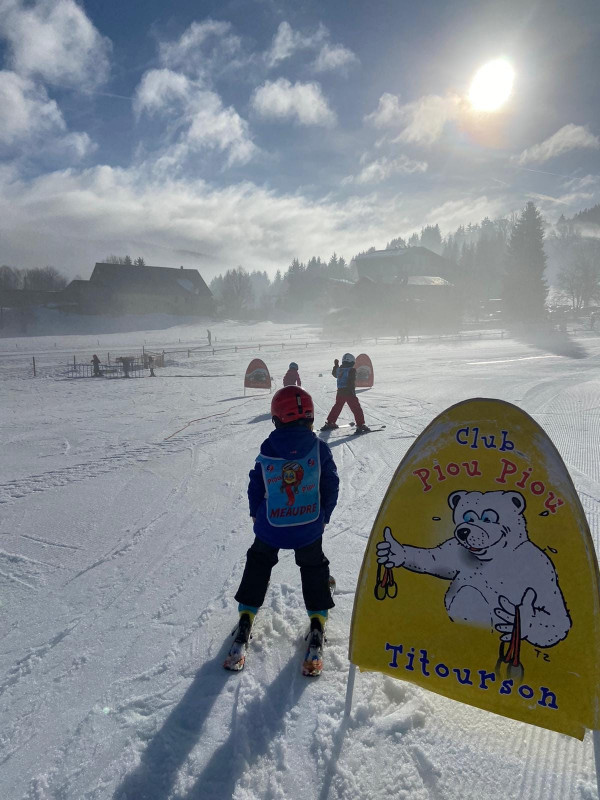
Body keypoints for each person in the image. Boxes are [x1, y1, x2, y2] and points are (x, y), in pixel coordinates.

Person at [226, 386, 339, 674]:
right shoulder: (319, 448)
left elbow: (257, 482)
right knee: (313, 566)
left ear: (276, 419)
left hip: (271, 527)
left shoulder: (269, 447)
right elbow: (331, 484)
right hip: (307, 526)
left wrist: (255, 512)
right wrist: (324, 514)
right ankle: (317, 623)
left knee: (259, 561)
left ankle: (246, 616)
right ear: (311, 418)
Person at [321, 353, 369, 433]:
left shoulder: (339, 369)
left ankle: (330, 422)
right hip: (349, 392)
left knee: (337, 407)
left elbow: (334, 374)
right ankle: (360, 425)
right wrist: (352, 390)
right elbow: (351, 380)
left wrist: (336, 365)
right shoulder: (352, 370)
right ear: (351, 362)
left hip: (340, 392)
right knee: (356, 408)